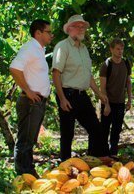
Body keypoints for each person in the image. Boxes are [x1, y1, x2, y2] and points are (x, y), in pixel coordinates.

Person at [52, 15, 109, 161]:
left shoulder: (84, 49)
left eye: (83, 27)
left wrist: (99, 93)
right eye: (78, 26)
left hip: (82, 94)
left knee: (96, 128)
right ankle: (65, 164)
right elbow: (56, 73)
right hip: (67, 94)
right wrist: (62, 98)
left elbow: (88, 75)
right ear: (69, 29)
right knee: (67, 132)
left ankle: (94, 161)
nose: (82, 29)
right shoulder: (62, 47)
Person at [10, 19, 53, 177]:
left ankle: (28, 172)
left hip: (37, 102)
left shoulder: (39, 50)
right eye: (48, 32)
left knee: (29, 140)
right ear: (38, 33)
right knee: (25, 141)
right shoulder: (30, 48)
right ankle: (23, 174)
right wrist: (28, 90)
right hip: (30, 102)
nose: (51, 35)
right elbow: (14, 68)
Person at [99, 38, 132, 157]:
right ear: (111, 49)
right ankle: (103, 153)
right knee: (104, 129)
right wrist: (106, 104)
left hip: (120, 102)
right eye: (117, 49)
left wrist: (130, 100)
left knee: (116, 129)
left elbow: (128, 82)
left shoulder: (126, 63)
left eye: (122, 49)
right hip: (108, 101)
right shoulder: (106, 65)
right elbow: (102, 87)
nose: (120, 51)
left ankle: (113, 154)